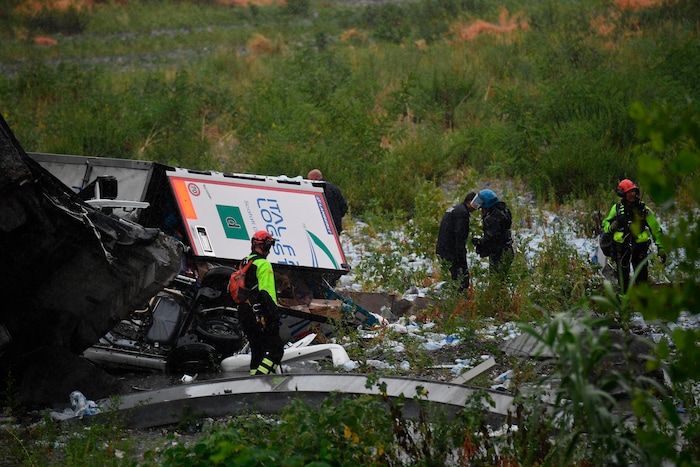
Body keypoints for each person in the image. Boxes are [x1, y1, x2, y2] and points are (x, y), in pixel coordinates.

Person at [602, 179, 665, 294]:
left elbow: (656, 229)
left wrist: (661, 248)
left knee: (641, 278)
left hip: (639, 247)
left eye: (633, 191)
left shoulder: (643, 210)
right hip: (621, 248)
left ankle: (642, 304)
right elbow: (605, 224)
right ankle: (624, 304)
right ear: (623, 194)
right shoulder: (616, 209)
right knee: (623, 279)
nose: (632, 194)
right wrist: (612, 226)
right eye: (629, 192)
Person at [238, 230, 285, 375]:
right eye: (269, 247)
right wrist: (273, 316)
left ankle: (255, 386)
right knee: (276, 350)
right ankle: (259, 380)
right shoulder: (264, 265)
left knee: (257, 351)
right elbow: (266, 293)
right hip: (259, 314)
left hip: (244, 312)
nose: (269, 251)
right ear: (264, 246)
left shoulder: (245, 262)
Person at [436, 192, 477, 291]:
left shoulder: (455, 209)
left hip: (443, 248)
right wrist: (461, 254)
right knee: (461, 279)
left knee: (453, 277)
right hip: (452, 250)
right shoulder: (462, 213)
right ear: (470, 202)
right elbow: (459, 234)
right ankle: (460, 301)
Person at [470, 189, 514, 276]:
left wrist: (479, 242)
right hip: (507, 250)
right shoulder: (504, 212)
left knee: (496, 280)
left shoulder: (492, 218)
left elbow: (492, 238)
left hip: (499, 254)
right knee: (502, 279)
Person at [308, 169, 348, 234]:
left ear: (314, 178)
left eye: (309, 179)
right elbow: (343, 206)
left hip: (323, 225)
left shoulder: (315, 190)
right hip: (336, 224)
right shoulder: (334, 188)